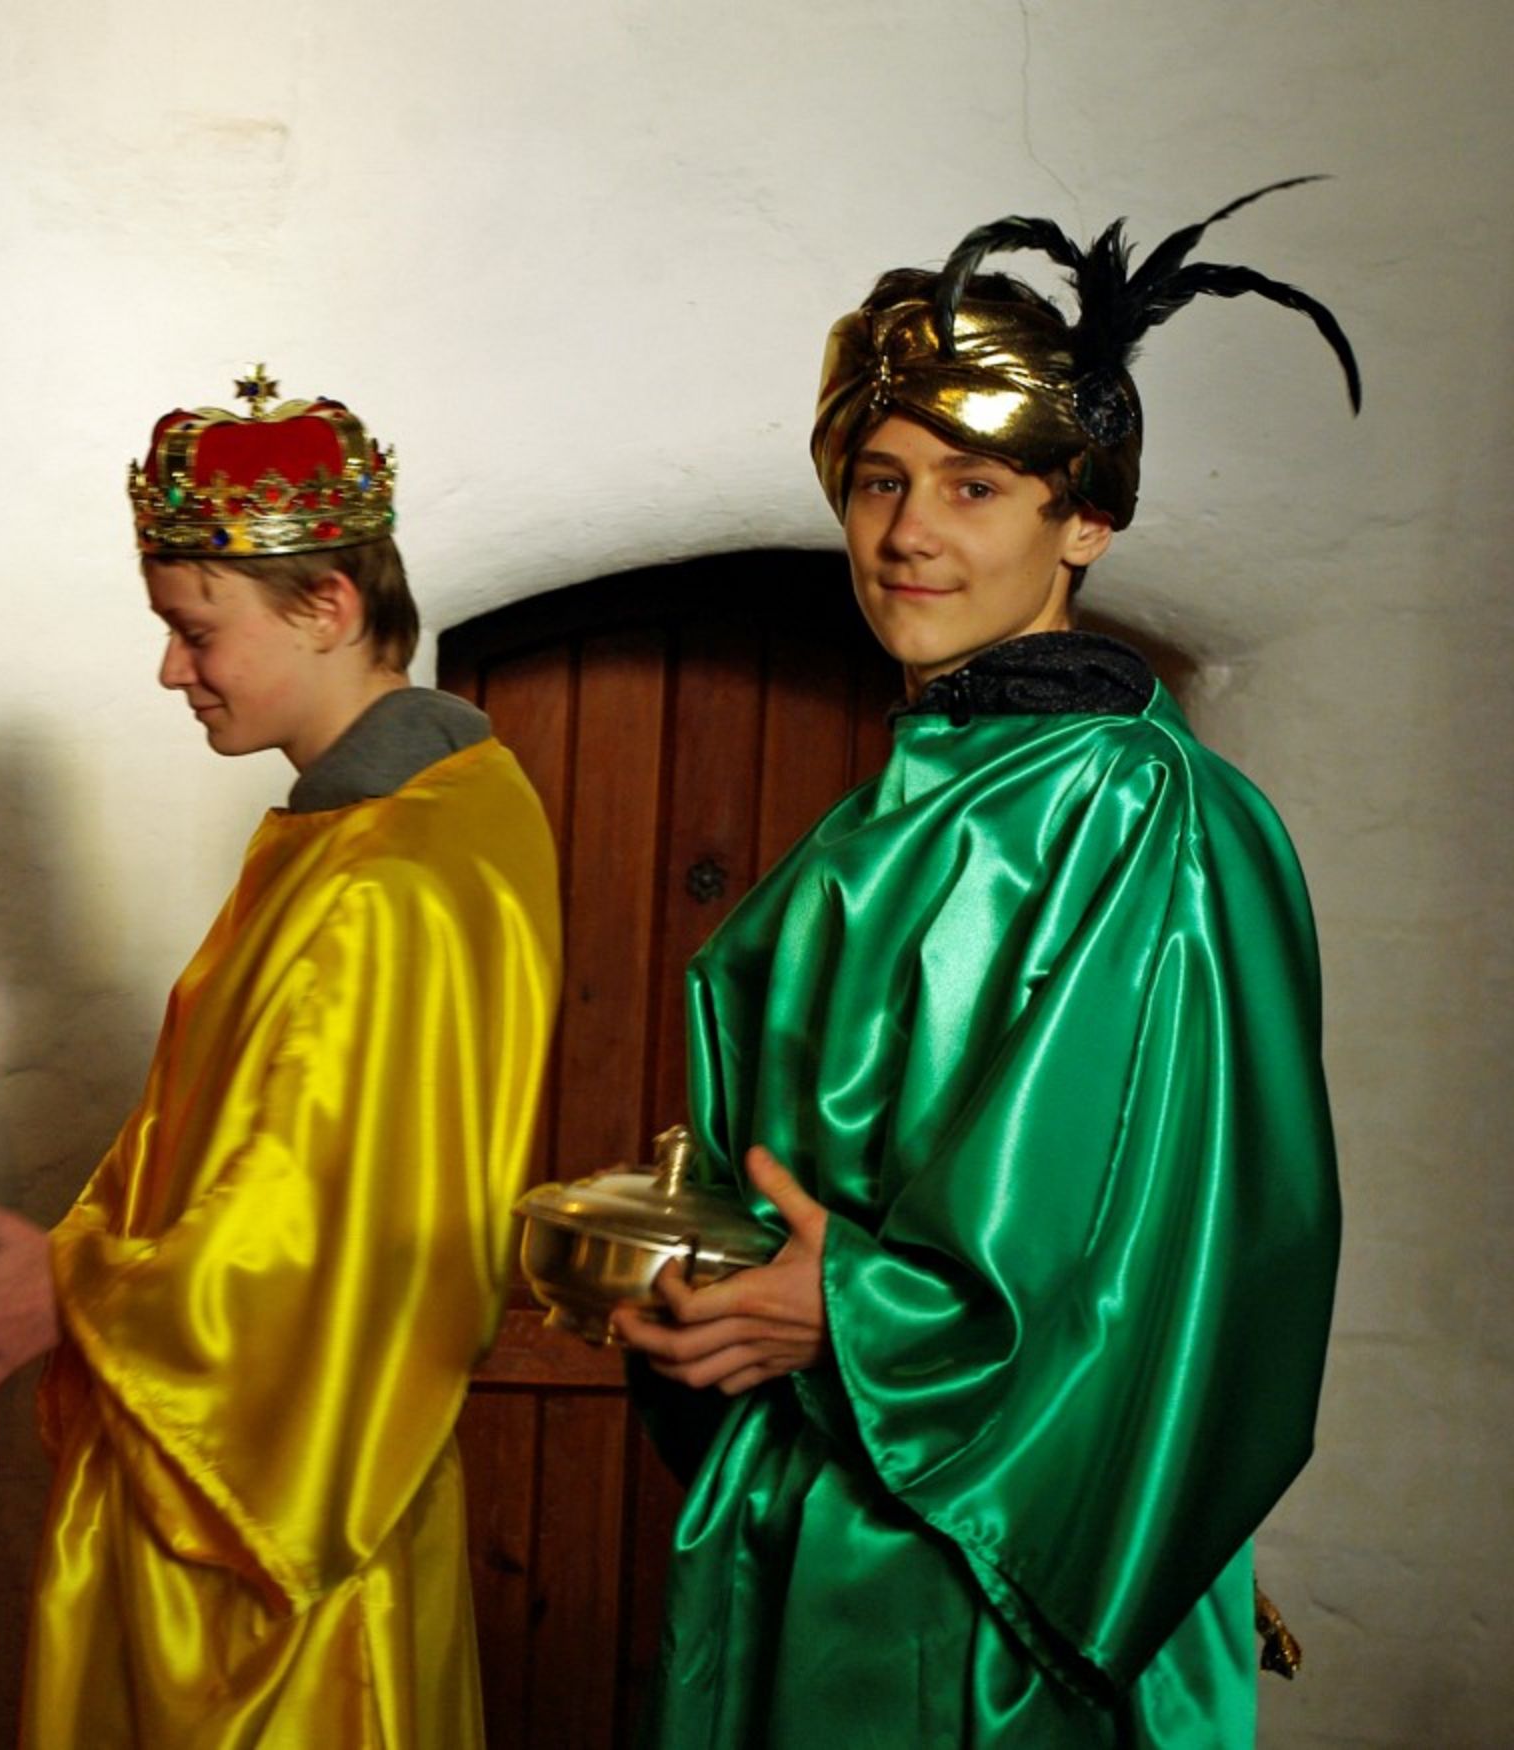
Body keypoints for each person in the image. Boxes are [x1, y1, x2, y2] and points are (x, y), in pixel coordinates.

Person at [613, 184, 1356, 1745]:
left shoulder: (1145, 811)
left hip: (989, 1587)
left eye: (974, 484)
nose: (908, 531)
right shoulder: (884, 816)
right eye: (879, 479)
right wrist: (699, 1284)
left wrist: (858, 1316)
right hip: (810, 1521)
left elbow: (1159, 1254)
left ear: (1084, 519)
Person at [0, 369, 562, 1746]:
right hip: (228, 1494)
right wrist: (70, 1254)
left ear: (328, 605)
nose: (171, 670)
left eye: (197, 631)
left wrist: (76, 1291)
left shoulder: (394, 876)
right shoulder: (386, 820)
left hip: (275, 1567)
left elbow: (327, 1233)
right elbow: (238, 1144)